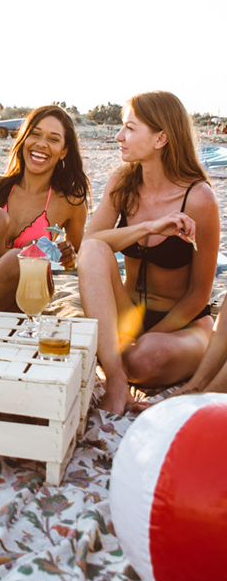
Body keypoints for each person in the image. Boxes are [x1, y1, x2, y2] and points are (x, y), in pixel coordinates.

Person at [77, 91, 219, 415]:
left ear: (161, 138)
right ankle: (116, 382)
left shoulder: (199, 199)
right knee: (96, 251)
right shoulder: (122, 182)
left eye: (129, 128)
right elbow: (90, 246)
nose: (119, 136)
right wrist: (148, 227)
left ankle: (123, 361)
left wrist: (146, 339)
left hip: (183, 324)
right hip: (129, 314)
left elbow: (199, 294)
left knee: (142, 357)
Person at [0, 105, 89, 311]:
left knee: (22, 258)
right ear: (24, 139)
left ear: (64, 152)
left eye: (53, 139)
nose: (41, 144)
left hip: (25, 294)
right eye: (35, 134)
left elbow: (79, 260)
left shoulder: (70, 202)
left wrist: (69, 257)